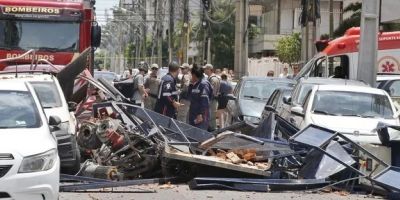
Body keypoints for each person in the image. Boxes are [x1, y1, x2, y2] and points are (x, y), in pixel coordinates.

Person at [188, 64, 212, 130]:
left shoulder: (204, 84)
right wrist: (191, 84)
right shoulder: (195, 83)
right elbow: (189, 95)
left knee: (200, 136)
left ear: (194, 75)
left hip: (201, 115)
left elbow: (205, 100)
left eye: (191, 74)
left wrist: (200, 114)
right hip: (193, 114)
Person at [203, 63, 220, 131]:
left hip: (212, 101)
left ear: (210, 70)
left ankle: (213, 133)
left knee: (211, 118)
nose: (204, 70)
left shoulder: (213, 79)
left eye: (205, 69)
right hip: (211, 100)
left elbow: (212, 92)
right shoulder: (210, 78)